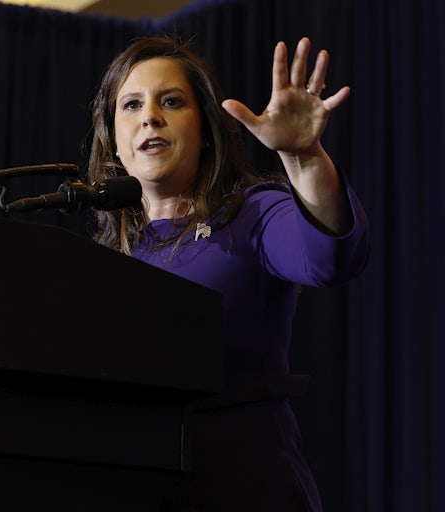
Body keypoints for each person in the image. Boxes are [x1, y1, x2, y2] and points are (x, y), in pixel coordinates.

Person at [87, 35, 370, 511]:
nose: (150, 117)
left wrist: (304, 159)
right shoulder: (107, 260)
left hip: (245, 486)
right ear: (113, 141)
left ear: (206, 128)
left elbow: (329, 254)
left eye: (171, 102)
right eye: (131, 106)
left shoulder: (251, 214)